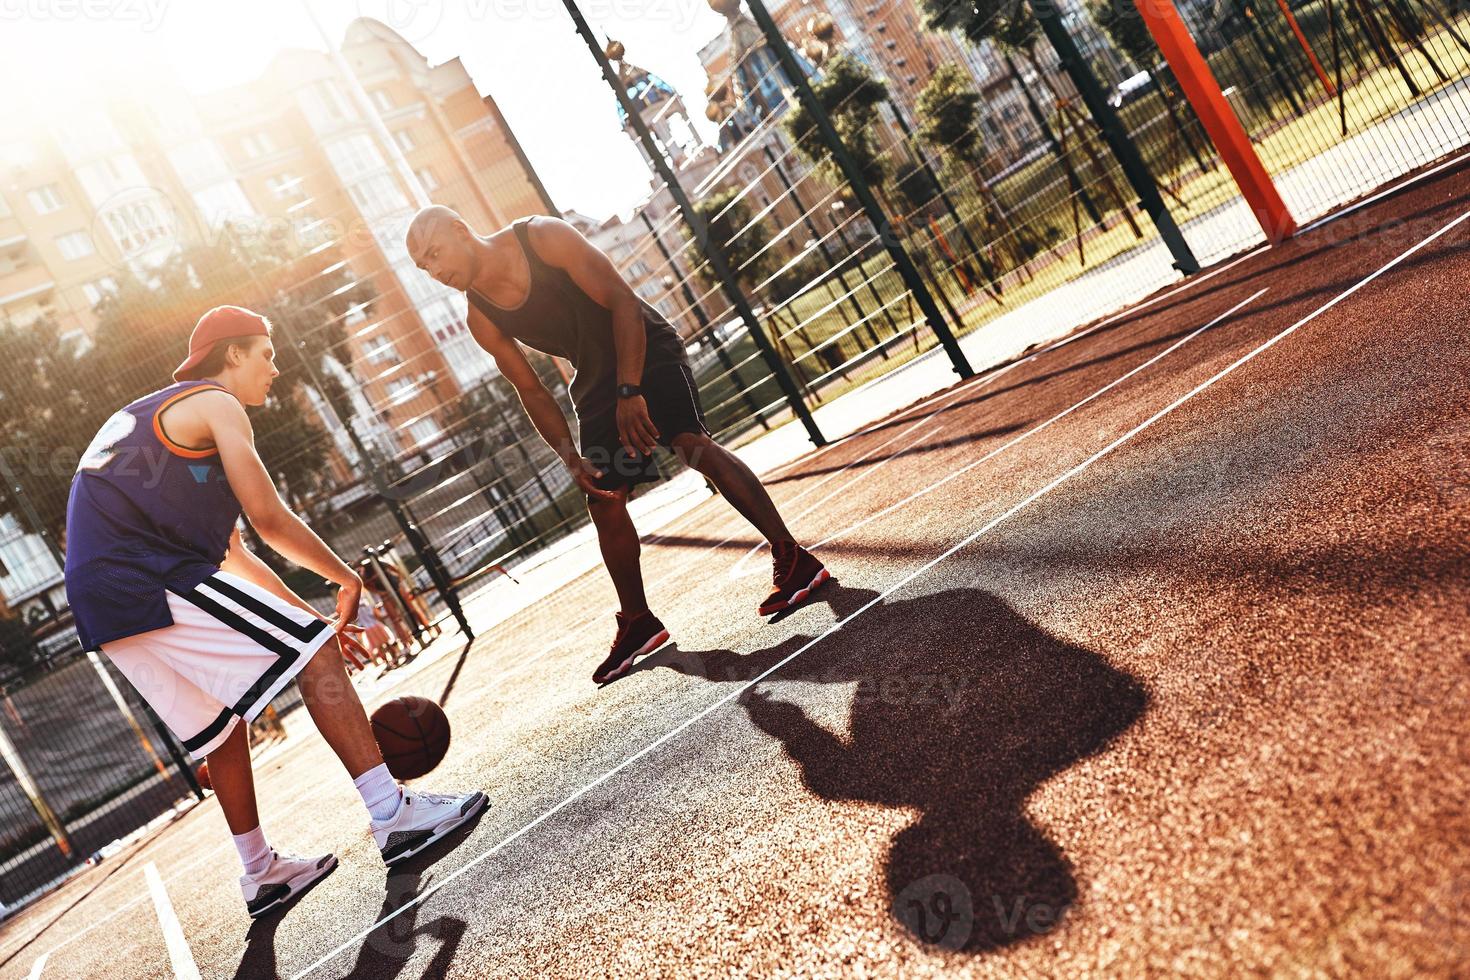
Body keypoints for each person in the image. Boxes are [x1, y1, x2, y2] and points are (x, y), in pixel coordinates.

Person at [63, 306, 487, 919]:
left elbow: (235, 551)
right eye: (265, 353)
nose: (275, 367)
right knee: (309, 651)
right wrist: (345, 580)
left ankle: (261, 874)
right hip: (146, 578)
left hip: (104, 602)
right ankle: (393, 817)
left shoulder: (164, 424)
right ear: (231, 354)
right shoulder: (215, 403)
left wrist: (318, 623)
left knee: (223, 730)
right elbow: (270, 519)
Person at [405, 207, 832, 684]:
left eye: (436, 253)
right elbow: (532, 390)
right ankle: (639, 621)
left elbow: (624, 303)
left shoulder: (543, 238)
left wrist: (631, 391)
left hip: (644, 346)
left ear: (462, 229)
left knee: (690, 444)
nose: (436, 271)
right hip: (595, 381)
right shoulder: (481, 316)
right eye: (424, 266)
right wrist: (569, 457)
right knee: (603, 498)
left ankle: (793, 558)